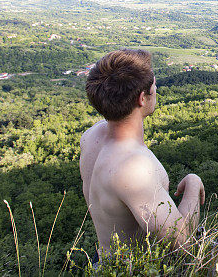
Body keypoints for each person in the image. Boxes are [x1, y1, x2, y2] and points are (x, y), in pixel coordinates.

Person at [79, 49, 205, 262]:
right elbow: (183, 243)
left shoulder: (90, 138)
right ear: (141, 98)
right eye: (154, 88)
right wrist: (193, 184)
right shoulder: (132, 168)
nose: (156, 92)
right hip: (130, 269)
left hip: (104, 261)